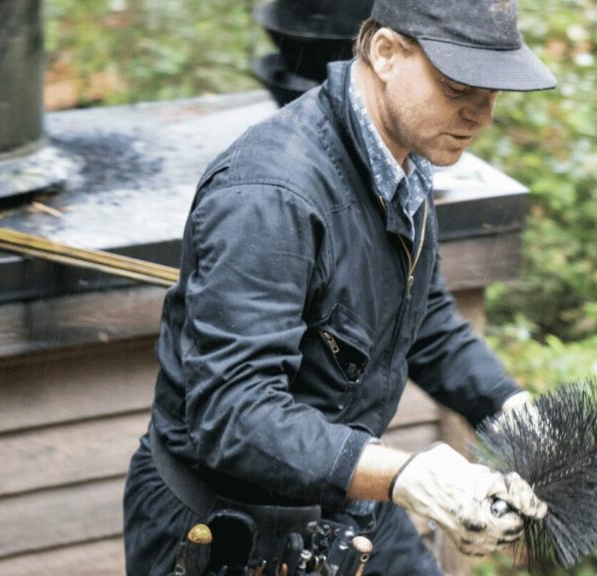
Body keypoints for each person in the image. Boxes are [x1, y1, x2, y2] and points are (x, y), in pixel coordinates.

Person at [123, 1, 558, 574]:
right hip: (220, 527)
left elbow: (423, 320)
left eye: (493, 91)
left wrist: (508, 408)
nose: (481, 115)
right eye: (458, 86)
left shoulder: (403, 157)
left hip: (337, 503)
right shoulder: (269, 195)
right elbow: (233, 412)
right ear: (384, 52)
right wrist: (405, 475)